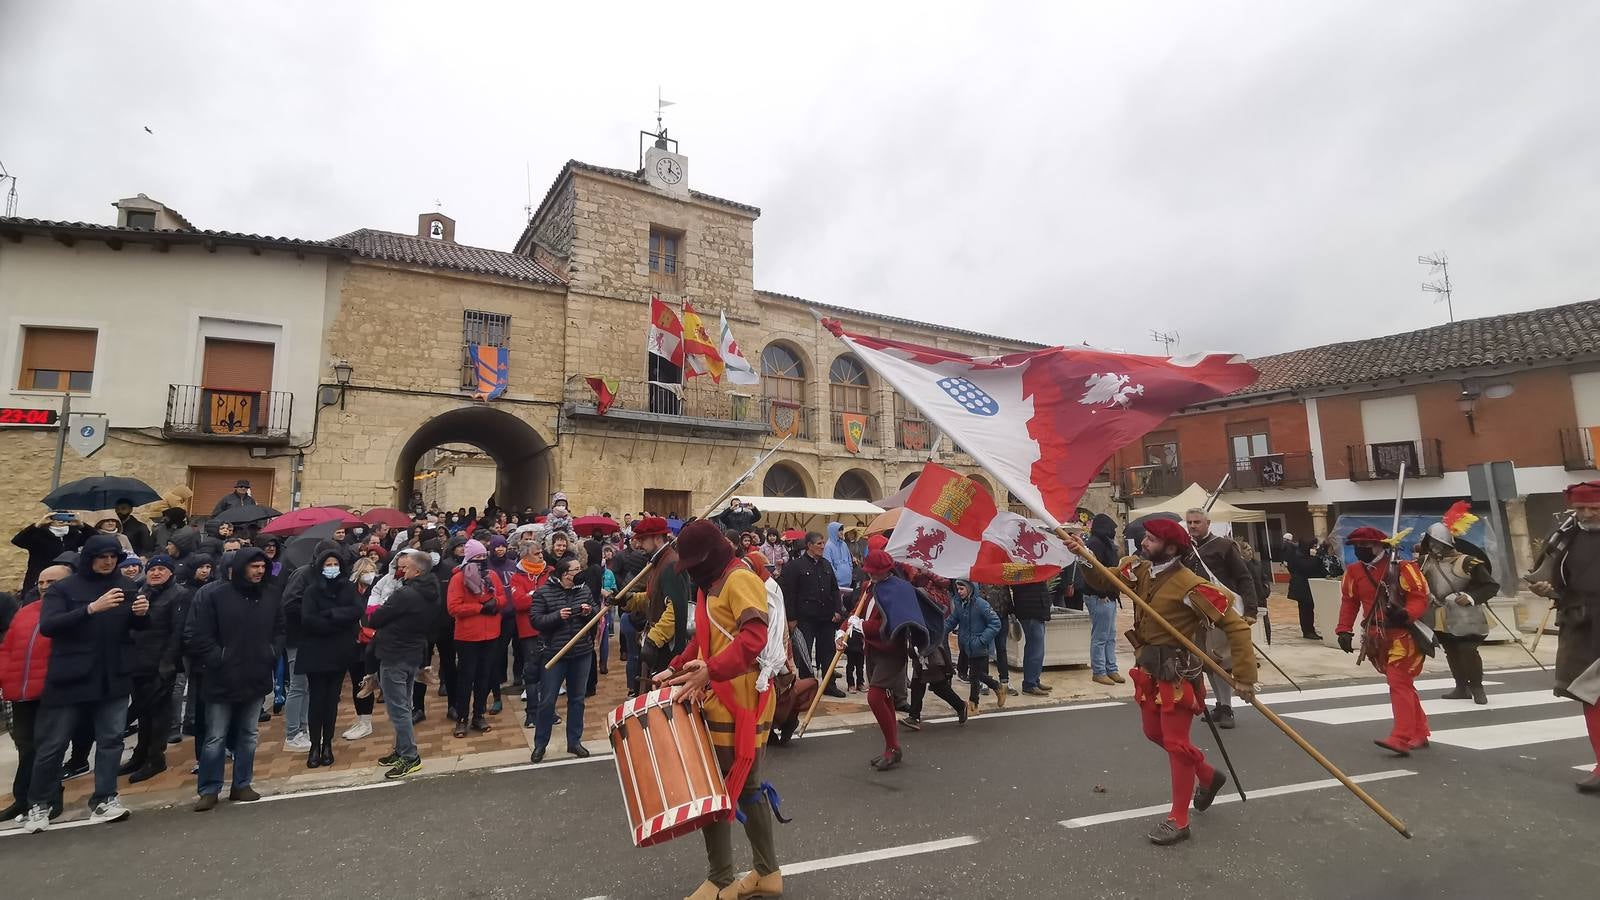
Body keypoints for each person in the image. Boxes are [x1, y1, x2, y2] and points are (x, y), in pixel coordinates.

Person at [1066, 519, 1257, 846]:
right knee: (1153, 733)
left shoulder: (1192, 586)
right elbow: (1104, 580)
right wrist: (1084, 556)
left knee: (1176, 743)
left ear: (1171, 548)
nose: (1143, 543)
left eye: (1152, 540)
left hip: (1178, 674)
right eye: (1146, 538)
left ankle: (1179, 819)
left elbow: (1236, 627)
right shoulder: (1139, 570)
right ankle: (1209, 775)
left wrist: (1244, 678)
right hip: (1149, 670)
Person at [653, 521, 783, 900]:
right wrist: (677, 666)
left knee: (736, 787)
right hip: (720, 690)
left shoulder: (739, 580)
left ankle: (732, 876)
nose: (690, 570)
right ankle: (759, 872)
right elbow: (705, 638)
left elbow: (753, 638)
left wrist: (712, 670)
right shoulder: (710, 582)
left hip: (741, 694)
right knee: (725, 786)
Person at [17, 535, 149, 833]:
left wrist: (141, 616)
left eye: (113, 556)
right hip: (71, 676)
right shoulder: (63, 589)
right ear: (89, 557)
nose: (108, 561)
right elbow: (49, 626)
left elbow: (131, 628)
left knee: (111, 740)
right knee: (53, 745)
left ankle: (105, 798)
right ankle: (38, 804)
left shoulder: (126, 586)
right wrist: (91, 608)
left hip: (112, 675)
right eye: (102, 556)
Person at [185, 547, 282, 811]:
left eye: (263, 567)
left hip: (256, 673)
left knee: (248, 734)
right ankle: (209, 788)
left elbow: (279, 629)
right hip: (221, 677)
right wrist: (218, 657)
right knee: (215, 736)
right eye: (254, 566)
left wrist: (272, 651)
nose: (260, 571)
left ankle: (242, 783)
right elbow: (197, 633)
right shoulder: (216, 595)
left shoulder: (270, 595)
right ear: (240, 567)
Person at [1527, 481, 1600, 793]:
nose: (1585, 514)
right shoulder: (1565, 536)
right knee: (1591, 697)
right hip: (1581, 624)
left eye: (1593, 508)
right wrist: (1546, 589)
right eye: (1580, 508)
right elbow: (1550, 579)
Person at [1336, 526, 1431, 756]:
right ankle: (1420, 731)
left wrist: (1406, 613)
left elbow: (1420, 598)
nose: (1360, 550)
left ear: (1380, 546)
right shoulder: (1354, 571)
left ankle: (1401, 736)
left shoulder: (1403, 568)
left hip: (1403, 635)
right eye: (1356, 546)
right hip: (1376, 637)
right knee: (1403, 684)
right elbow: (1349, 602)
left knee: (1398, 682)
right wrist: (1344, 630)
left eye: (1365, 546)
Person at [0, 565, 73, 823]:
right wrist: (5, 678)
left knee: (49, 749)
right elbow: (7, 649)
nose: (44, 586)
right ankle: (23, 800)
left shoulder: (71, 612)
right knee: (26, 749)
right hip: (20, 693)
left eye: (51, 581)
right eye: (41, 582)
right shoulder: (25, 613)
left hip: (51, 693)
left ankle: (51, 800)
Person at [1182, 508, 1260, 729]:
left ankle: (1227, 708)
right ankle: (1220, 704)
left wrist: (1251, 611)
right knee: (1207, 662)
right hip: (1197, 611)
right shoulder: (1186, 549)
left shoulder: (1224, 546)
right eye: (1189, 522)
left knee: (1221, 661)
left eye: (1197, 522)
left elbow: (1244, 577)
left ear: (1208, 523)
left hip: (1222, 610)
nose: (1193, 526)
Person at [369, 549, 437, 779]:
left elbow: (375, 618)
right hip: (413, 653)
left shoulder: (406, 594)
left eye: (406, 567)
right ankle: (400, 749)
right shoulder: (431, 592)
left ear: (418, 570)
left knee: (398, 709)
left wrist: (384, 607)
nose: (402, 570)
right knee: (404, 704)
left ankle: (409, 756)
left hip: (395, 653)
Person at [1417, 516, 1499, 705]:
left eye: (1437, 542)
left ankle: (1477, 687)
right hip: (1439, 613)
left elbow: (1489, 586)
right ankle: (1461, 687)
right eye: (1431, 542)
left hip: (1466, 614)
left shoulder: (1468, 562)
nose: (1434, 546)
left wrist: (1470, 597)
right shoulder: (1423, 562)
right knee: (1451, 650)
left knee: (1467, 650)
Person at [121, 555, 184, 783]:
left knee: (158, 713)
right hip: (140, 661)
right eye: (152, 569)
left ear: (170, 572)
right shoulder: (143, 591)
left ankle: (155, 757)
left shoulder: (178, 595)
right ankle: (141, 753)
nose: (156, 573)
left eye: (161, 569)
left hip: (161, 663)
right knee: (144, 713)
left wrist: (168, 662)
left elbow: (178, 632)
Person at [297, 549, 361, 768]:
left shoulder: (348, 588)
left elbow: (355, 611)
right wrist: (336, 621)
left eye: (335, 564)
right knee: (317, 700)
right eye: (328, 564)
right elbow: (308, 620)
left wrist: (330, 615)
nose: (332, 567)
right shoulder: (312, 591)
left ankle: (327, 744)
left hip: (339, 651)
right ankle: (314, 744)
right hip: (316, 650)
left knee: (332, 700)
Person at [530, 557, 595, 762]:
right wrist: (558, 616)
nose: (579, 572)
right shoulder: (543, 592)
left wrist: (588, 611)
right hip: (555, 654)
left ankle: (574, 741)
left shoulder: (583, 589)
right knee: (547, 700)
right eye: (575, 569)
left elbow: (594, 612)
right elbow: (536, 621)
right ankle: (540, 744)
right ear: (565, 574)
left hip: (581, 652)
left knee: (577, 699)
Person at [446, 540, 505, 738]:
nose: (481, 561)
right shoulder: (458, 579)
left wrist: (494, 602)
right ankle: (462, 717)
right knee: (466, 678)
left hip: (491, 634)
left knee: (484, 676)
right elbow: (454, 608)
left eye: (483, 557)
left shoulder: (492, 576)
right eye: (476, 558)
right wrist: (480, 607)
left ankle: (478, 714)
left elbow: (503, 598)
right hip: (468, 636)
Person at [777, 531, 845, 698]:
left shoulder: (826, 565)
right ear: (809, 545)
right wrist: (791, 618)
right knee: (805, 653)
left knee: (828, 652)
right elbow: (789, 593)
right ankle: (808, 687)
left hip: (826, 618)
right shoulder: (795, 566)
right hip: (805, 618)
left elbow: (835, 590)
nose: (823, 547)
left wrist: (838, 610)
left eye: (823, 543)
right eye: (819, 544)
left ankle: (829, 684)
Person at [1079, 514, 1126, 686]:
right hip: (1099, 595)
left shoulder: (1105, 544)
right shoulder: (1094, 544)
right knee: (1100, 635)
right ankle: (1099, 671)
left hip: (1109, 595)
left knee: (1110, 635)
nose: (1114, 532)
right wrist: (1101, 591)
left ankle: (1111, 668)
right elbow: (1092, 572)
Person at [946, 579, 1002, 716]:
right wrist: (939, 630)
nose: (959, 592)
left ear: (970, 588)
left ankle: (974, 705)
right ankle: (996, 686)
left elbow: (995, 623)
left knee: (974, 676)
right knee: (962, 672)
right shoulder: (959, 604)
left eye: (962, 589)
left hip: (978, 646)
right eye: (957, 589)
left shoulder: (981, 605)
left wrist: (982, 640)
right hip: (965, 646)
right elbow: (952, 620)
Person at [511, 544, 551, 727]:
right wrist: (538, 594)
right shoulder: (517, 576)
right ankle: (532, 713)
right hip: (529, 631)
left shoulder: (549, 571)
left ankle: (549, 711)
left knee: (550, 672)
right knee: (532, 673)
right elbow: (518, 603)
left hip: (550, 627)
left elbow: (555, 596)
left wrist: (532, 595)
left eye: (541, 552)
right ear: (526, 557)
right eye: (537, 554)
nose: (541, 556)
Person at [12, 512, 89, 596]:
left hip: (67, 577)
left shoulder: (73, 534)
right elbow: (18, 541)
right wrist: (37, 525)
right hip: (39, 578)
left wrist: (82, 525)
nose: (61, 521)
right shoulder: (39, 535)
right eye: (57, 517)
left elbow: (96, 539)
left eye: (64, 517)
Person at [1009, 575, 1054, 697]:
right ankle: (1029, 684)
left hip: (1037, 607)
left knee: (1038, 648)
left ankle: (1034, 679)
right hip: (1030, 608)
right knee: (1034, 648)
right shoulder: (1023, 568)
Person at [1285, 536, 1326, 640]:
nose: (1314, 548)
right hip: (1302, 588)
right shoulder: (1297, 557)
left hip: (1309, 587)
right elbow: (1307, 567)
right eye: (1312, 546)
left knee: (1309, 609)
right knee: (1305, 610)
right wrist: (1317, 557)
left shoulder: (1307, 557)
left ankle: (1310, 630)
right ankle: (1307, 631)